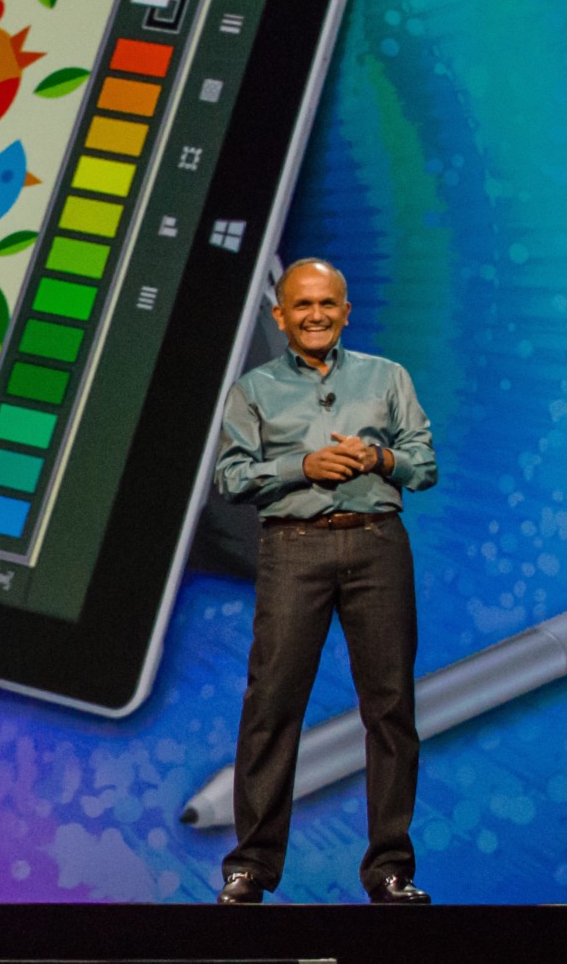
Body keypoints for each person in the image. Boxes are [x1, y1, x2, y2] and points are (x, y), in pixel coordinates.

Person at [212, 257, 437, 906]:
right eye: (302, 305)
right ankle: (250, 865)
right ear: (280, 315)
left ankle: (390, 869)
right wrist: (301, 464)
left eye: (327, 304)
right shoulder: (253, 388)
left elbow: (423, 465)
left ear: (345, 310)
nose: (315, 315)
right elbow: (230, 478)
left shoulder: (387, 376)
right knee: (272, 704)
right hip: (293, 545)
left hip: (376, 543)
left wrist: (380, 456)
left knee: (391, 707)